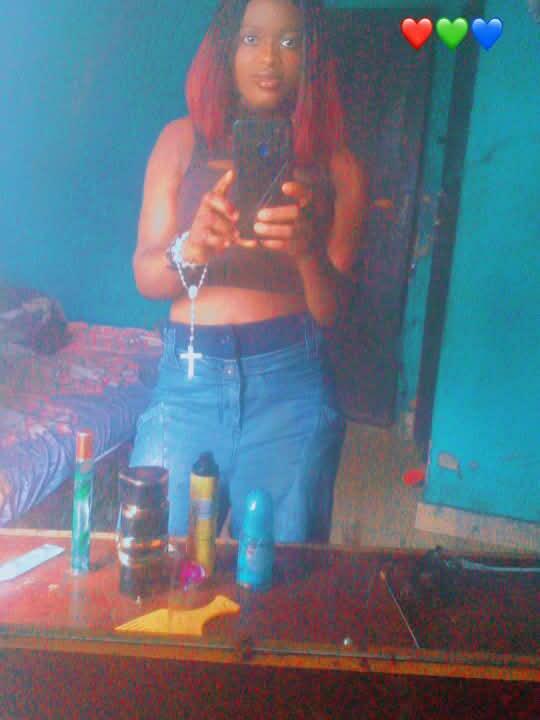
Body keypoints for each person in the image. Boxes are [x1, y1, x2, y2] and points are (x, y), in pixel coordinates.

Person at [130, 0, 367, 543]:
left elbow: (333, 313)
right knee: (157, 559)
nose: (269, 59)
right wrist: (191, 248)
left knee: (279, 569)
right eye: (252, 38)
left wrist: (306, 253)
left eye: (289, 42)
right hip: (188, 383)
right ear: (226, 49)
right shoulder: (179, 142)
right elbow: (146, 276)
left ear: (311, 57)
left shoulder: (340, 166)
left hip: (290, 385)